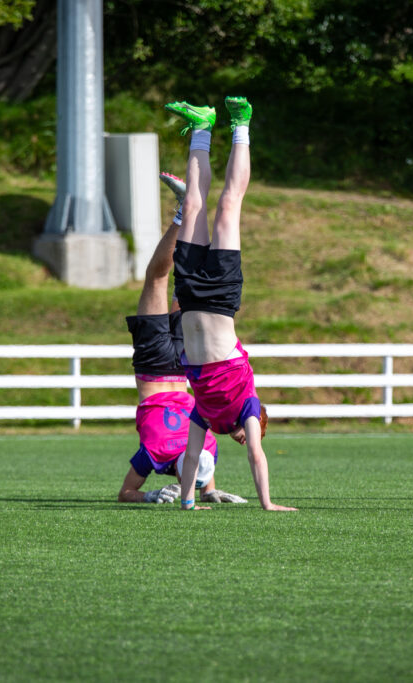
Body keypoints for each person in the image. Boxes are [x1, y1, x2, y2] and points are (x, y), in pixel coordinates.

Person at [165, 96, 296, 512]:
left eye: (242, 436)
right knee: (227, 206)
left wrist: (187, 501)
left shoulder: (206, 412)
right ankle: (242, 126)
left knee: (192, 205)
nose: (243, 438)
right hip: (221, 297)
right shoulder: (248, 406)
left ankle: (202, 127)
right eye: (249, 433)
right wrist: (268, 504)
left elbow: (190, 455)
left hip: (189, 294)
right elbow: (257, 453)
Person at [118, 172, 247, 505]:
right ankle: (184, 211)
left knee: (183, 283)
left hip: (190, 361)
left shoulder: (207, 448)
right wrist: (150, 496)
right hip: (156, 370)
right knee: (158, 279)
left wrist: (211, 490)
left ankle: (192, 210)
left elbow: (202, 458)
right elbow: (125, 493)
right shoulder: (155, 454)